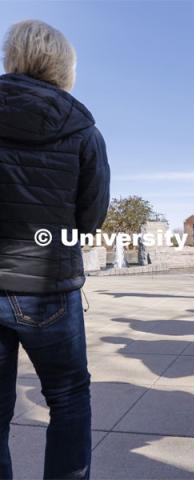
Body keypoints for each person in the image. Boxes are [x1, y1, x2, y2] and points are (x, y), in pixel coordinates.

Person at [0, 20, 110, 479]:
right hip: (48, 285)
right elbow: (91, 217)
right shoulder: (83, 128)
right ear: (64, 66)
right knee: (67, 399)